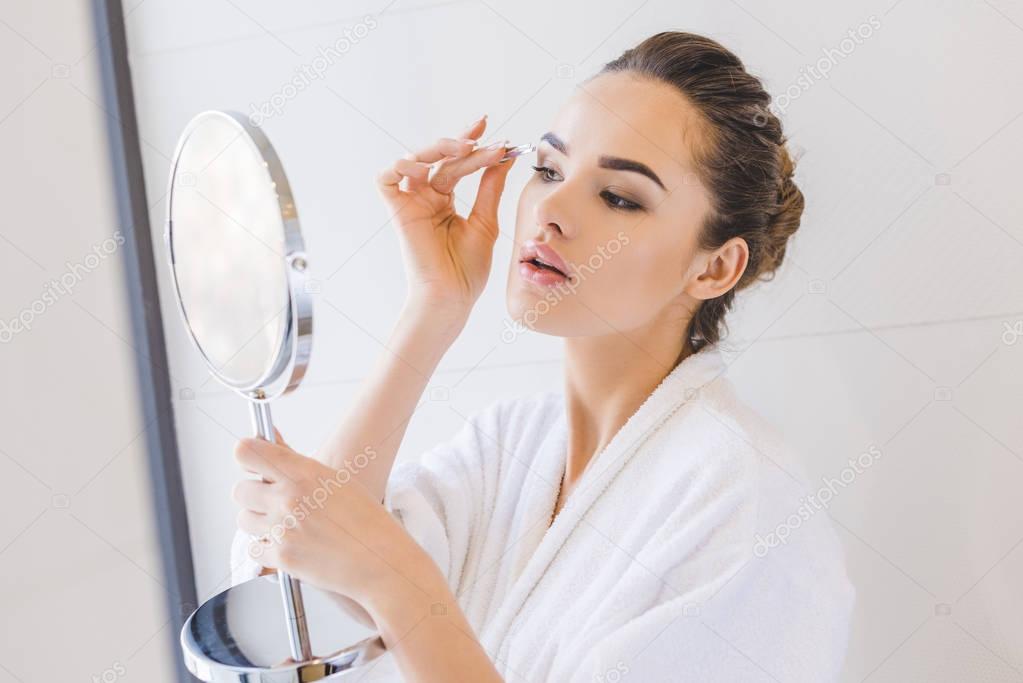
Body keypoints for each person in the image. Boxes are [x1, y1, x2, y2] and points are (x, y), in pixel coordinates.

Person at [230, 31, 854, 682]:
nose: (550, 209)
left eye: (619, 196)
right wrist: (433, 307)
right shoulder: (511, 444)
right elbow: (303, 600)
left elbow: (373, 571)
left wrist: (400, 582)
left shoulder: (747, 505)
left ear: (715, 266)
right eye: (549, 170)